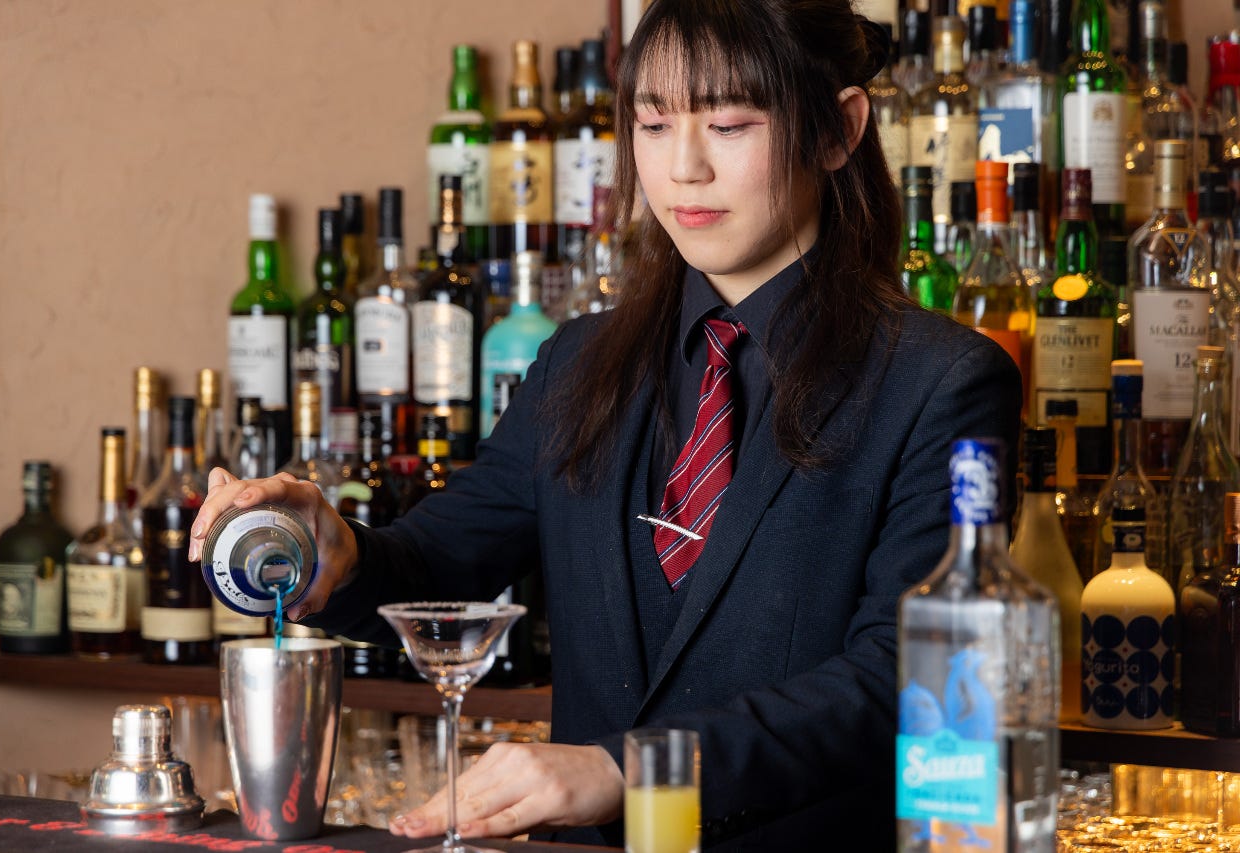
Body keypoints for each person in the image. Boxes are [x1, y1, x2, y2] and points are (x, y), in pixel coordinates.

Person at [188, 0, 1022, 847]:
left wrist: (629, 769)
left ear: (839, 130)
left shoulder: (941, 383)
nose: (683, 168)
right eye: (653, 126)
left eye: (729, 125)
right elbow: (437, 565)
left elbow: (909, 679)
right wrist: (339, 556)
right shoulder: (580, 363)